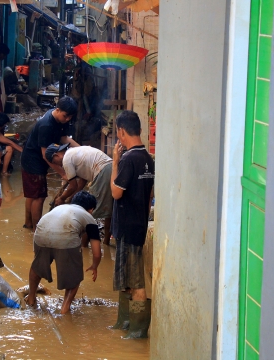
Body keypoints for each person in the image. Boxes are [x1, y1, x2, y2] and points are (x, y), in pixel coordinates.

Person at [110, 110, 155, 339]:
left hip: (128, 228)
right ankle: (125, 322)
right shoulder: (147, 158)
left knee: (135, 280)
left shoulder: (128, 159)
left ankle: (137, 330)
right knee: (128, 277)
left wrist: (115, 161)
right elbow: (148, 197)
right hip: (138, 225)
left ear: (120, 131)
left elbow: (116, 192)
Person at [25, 191, 102, 314]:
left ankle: (31, 298)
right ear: (91, 209)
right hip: (66, 239)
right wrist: (94, 265)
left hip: (40, 234)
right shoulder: (89, 218)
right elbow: (97, 252)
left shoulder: (59, 207)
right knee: (75, 276)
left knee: (37, 266)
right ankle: (64, 309)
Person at [20, 96, 80, 231]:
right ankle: (37, 229)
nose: (68, 119)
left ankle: (28, 225)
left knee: (32, 194)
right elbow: (46, 155)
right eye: (66, 116)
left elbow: (64, 138)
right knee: (39, 197)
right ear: (58, 110)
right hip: (33, 161)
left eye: (70, 117)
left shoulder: (61, 119)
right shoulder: (46, 125)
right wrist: (63, 173)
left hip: (34, 158)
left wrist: (82, 149)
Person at [46, 143, 114, 245]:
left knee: (88, 213)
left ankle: (83, 246)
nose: (57, 165)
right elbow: (82, 181)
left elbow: (72, 186)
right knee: (108, 211)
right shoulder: (75, 152)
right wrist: (72, 199)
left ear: (56, 155)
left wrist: (61, 198)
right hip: (111, 168)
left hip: (102, 171)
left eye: (54, 162)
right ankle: (106, 243)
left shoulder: (66, 160)